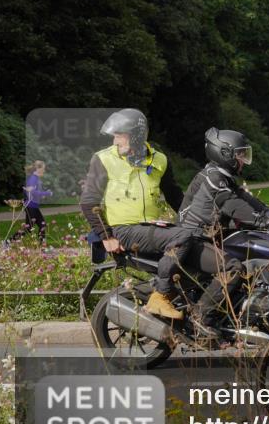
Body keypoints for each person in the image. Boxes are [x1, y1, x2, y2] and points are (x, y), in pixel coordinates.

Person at [80, 108, 188, 319]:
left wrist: (199, 219)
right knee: (183, 238)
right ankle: (160, 297)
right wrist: (107, 236)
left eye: (120, 135)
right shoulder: (103, 159)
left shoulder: (160, 160)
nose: (115, 141)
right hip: (123, 231)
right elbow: (88, 201)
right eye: (114, 135)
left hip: (152, 230)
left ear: (137, 136)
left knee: (197, 248)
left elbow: (175, 196)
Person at [177, 127, 269, 338]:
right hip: (191, 239)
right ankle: (201, 316)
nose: (243, 159)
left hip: (208, 236)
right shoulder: (214, 178)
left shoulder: (223, 177)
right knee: (234, 268)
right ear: (225, 154)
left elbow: (247, 200)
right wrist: (261, 220)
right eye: (240, 155)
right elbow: (232, 205)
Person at [9, 160, 52, 245]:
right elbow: (31, 192)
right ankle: (8, 242)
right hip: (30, 206)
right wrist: (46, 193)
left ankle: (42, 246)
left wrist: (42, 194)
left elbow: (34, 192)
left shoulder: (36, 178)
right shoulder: (33, 178)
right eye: (43, 168)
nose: (44, 170)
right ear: (38, 169)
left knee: (42, 225)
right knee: (29, 228)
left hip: (34, 206)